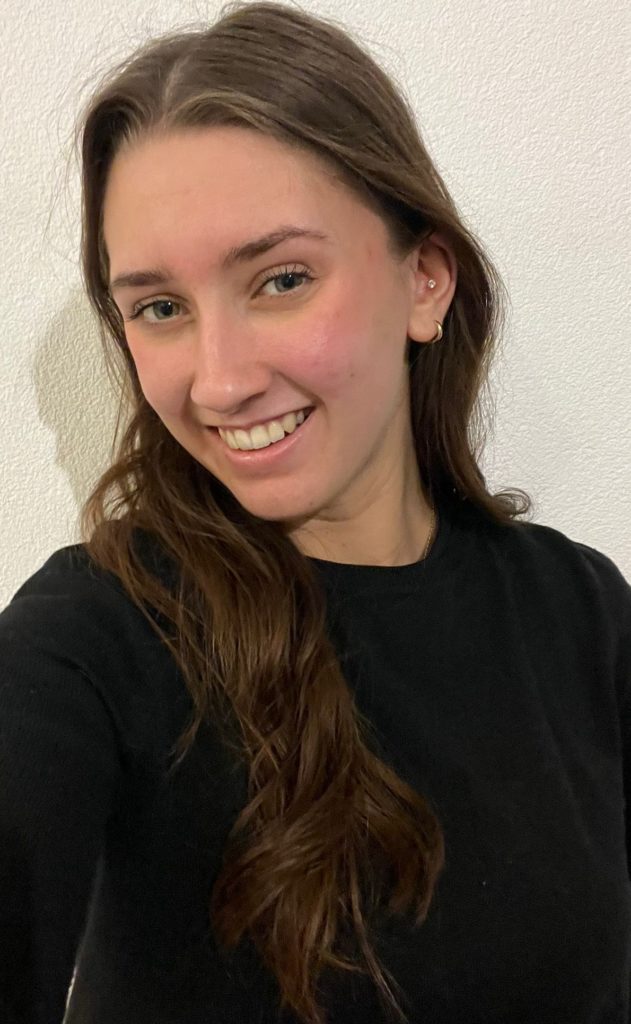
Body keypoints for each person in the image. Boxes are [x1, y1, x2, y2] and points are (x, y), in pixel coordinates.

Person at [1, 2, 629, 1022]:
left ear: (425, 281)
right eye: (160, 307)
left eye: (281, 280)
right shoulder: (94, 635)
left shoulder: (579, 611)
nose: (219, 380)